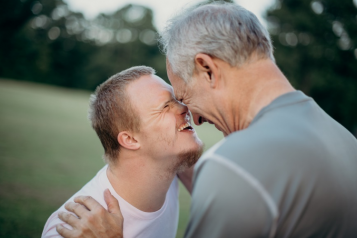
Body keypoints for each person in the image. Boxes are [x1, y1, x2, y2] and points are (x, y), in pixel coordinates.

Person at [57, 2, 357, 238]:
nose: (195, 118)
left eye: (184, 97)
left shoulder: (236, 166)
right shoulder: (342, 138)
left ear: (208, 69)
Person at [42, 66, 203, 238]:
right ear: (130, 140)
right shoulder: (73, 228)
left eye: (177, 99)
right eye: (165, 106)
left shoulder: (171, 162)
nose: (184, 107)